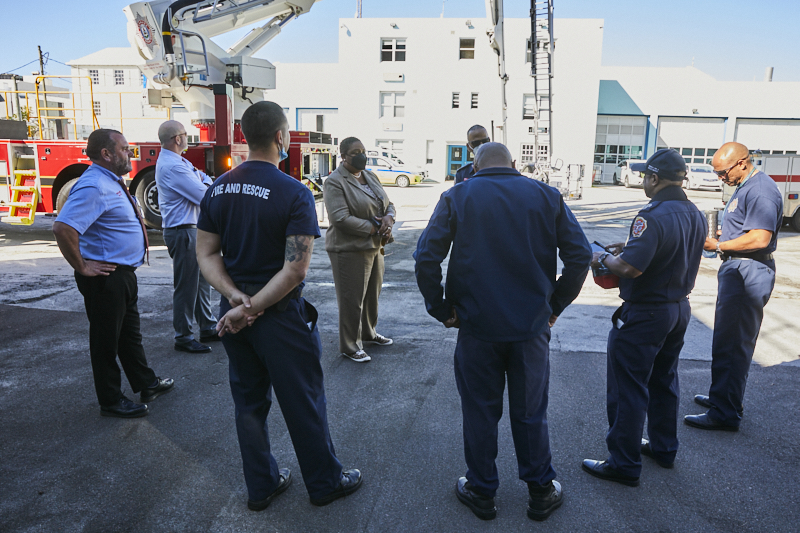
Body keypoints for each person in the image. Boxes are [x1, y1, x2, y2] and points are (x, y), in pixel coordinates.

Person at [196, 101, 361, 510]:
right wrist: (251, 307)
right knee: (302, 401)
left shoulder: (218, 187)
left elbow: (206, 254)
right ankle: (324, 483)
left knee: (249, 403)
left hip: (233, 313)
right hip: (279, 316)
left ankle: (262, 485)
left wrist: (234, 299)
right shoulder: (294, 192)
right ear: (281, 137)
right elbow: (295, 270)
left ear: (244, 136)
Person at [414, 142, 591, 522]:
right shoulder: (547, 195)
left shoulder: (457, 195)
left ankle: (481, 491)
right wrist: (554, 306)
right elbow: (579, 256)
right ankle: (541, 491)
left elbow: (426, 256)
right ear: (513, 164)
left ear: (474, 167)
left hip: (477, 327)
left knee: (480, 411)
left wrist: (441, 309)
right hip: (530, 327)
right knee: (530, 412)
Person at [581, 148, 706, 487]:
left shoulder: (650, 216)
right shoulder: (696, 213)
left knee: (628, 388)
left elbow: (630, 268)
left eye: (644, 178)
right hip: (678, 309)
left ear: (653, 178)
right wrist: (629, 246)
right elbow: (667, 250)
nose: (643, 184)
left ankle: (623, 462)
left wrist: (600, 257)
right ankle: (664, 448)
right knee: (664, 381)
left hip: (646, 313)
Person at [53, 129, 174, 418]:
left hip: (121, 276)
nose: (130, 154)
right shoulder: (94, 185)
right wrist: (81, 265)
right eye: (123, 149)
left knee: (129, 336)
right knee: (106, 341)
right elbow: (63, 227)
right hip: (105, 278)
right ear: (106, 154)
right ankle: (110, 400)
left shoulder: (111, 181)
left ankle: (146, 383)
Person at [685, 142, 783, 431]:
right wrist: (726, 233)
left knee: (732, 343)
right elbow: (747, 229)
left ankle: (724, 413)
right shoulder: (745, 185)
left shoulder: (761, 190)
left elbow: (760, 238)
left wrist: (720, 244)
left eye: (723, 172)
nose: (720, 178)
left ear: (742, 162)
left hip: (748, 271)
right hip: (740, 268)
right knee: (726, 339)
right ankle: (723, 398)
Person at [323, 136, 396, 363]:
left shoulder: (370, 176)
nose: (361, 155)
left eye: (363, 150)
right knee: (351, 299)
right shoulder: (335, 181)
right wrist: (375, 228)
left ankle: (369, 333)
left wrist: (389, 219)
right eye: (355, 152)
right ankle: (350, 345)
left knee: (372, 295)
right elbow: (340, 218)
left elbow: (388, 203)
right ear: (343, 156)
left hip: (375, 246)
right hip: (349, 249)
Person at [155, 120, 217, 354]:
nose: (187, 138)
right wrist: (203, 181)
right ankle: (183, 335)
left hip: (190, 229)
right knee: (187, 286)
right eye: (185, 134)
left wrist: (203, 180)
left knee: (201, 281)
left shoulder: (179, 162)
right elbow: (204, 195)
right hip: (183, 230)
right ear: (177, 139)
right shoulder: (174, 167)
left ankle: (208, 327)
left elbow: (203, 180)